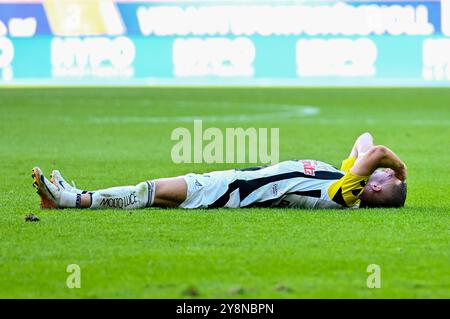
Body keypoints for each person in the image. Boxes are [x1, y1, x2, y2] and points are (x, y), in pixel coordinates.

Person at [32, 132, 407, 210]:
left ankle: (71, 200)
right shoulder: (343, 177)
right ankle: (75, 195)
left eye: (383, 178)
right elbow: (364, 139)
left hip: (231, 191)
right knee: (154, 191)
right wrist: (386, 170)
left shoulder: (344, 195)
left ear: (371, 189)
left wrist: (399, 168)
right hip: (233, 182)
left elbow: (374, 150)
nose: (380, 171)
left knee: (152, 190)